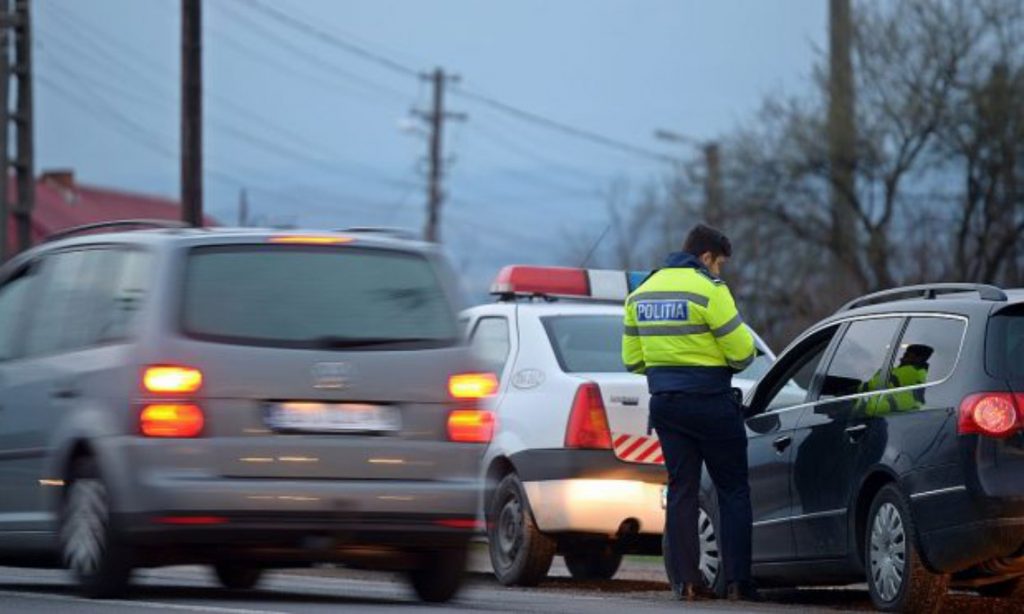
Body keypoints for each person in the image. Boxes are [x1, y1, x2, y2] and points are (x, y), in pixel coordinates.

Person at [622, 223, 760, 602]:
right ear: (705, 257)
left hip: (666, 404)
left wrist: (669, 365)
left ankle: (687, 582)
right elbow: (743, 353)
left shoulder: (642, 292)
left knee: (681, 489)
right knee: (732, 490)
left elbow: (632, 361)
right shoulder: (709, 291)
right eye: (719, 264)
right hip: (711, 402)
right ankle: (737, 582)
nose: (719, 272)